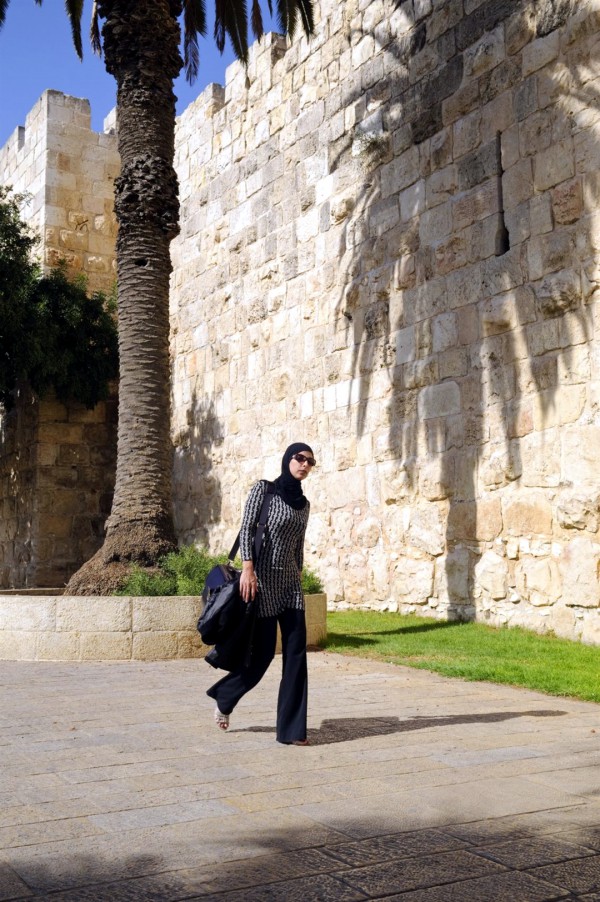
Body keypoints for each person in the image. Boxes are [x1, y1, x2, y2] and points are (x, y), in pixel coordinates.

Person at [206, 442, 316, 745]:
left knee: (296, 655)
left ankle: (292, 732)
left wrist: (300, 573)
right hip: (262, 583)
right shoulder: (264, 490)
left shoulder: (304, 505)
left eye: (310, 462)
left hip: (290, 586)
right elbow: (247, 528)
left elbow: (299, 544)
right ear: (288, 460)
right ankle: (225, 697)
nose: (304, 465)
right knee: (262, 656)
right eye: (300, 458)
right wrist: (248, 568)